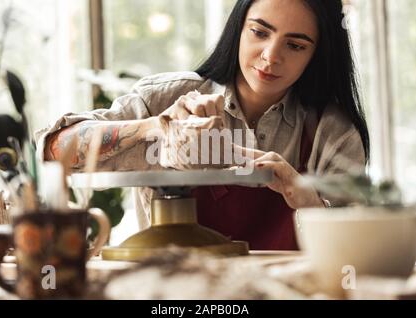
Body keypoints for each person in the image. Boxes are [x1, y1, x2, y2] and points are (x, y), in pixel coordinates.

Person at [35, 0, 370, 250]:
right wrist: (156, 127)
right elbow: (54, 151)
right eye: (259, 32)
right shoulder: (166, 97)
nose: (271, 56)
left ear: (318, 55)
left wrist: (305, 197)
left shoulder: (332, 132)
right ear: (238, 28)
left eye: (295, 45)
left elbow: (355, 255)